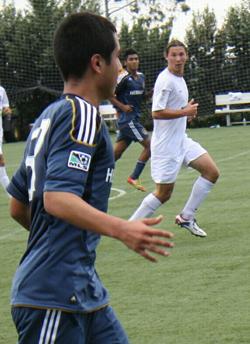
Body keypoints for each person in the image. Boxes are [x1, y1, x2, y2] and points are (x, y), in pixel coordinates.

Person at [7, 13, 174, 344]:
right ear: (97, 63)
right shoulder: (82, 114)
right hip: (53, 297)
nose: (120, 68)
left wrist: (67, 245)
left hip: (81, 290)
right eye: (116, 57)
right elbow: (56, 198)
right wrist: (122, 229)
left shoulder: (48, 117)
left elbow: (17, 205)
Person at [130, 39, 220, 237]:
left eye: (181, 54)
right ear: (166, 56)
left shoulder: (180, 78)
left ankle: (187, 217)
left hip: (181, 140)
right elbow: (156, 112)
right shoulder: (166, 80)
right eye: (174, 55)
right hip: (166, 146)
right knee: (164, 194)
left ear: (186, 56)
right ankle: (131, 226)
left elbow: (173, 110)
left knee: (211, 172)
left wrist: (185, 113)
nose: (178, 59)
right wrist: (184, 112)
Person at [110, 48, 151, 192]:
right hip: (128, 121)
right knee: (150, 146)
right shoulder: (124, 79)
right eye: (131, 59)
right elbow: (110, 95)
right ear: (125, 63)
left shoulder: (141, 77)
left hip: (134, 120)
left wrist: (152, 93)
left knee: (115, 154)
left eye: (136, 59)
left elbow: (142, 97)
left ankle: (94, 172)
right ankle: (134, 176)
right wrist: (122, 106)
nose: (134, 61)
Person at [0, 85, 11, 195]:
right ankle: (12, 195)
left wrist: (7, 111)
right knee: (1, 161)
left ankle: (11, 195)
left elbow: (5, 107)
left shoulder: (1, 90)